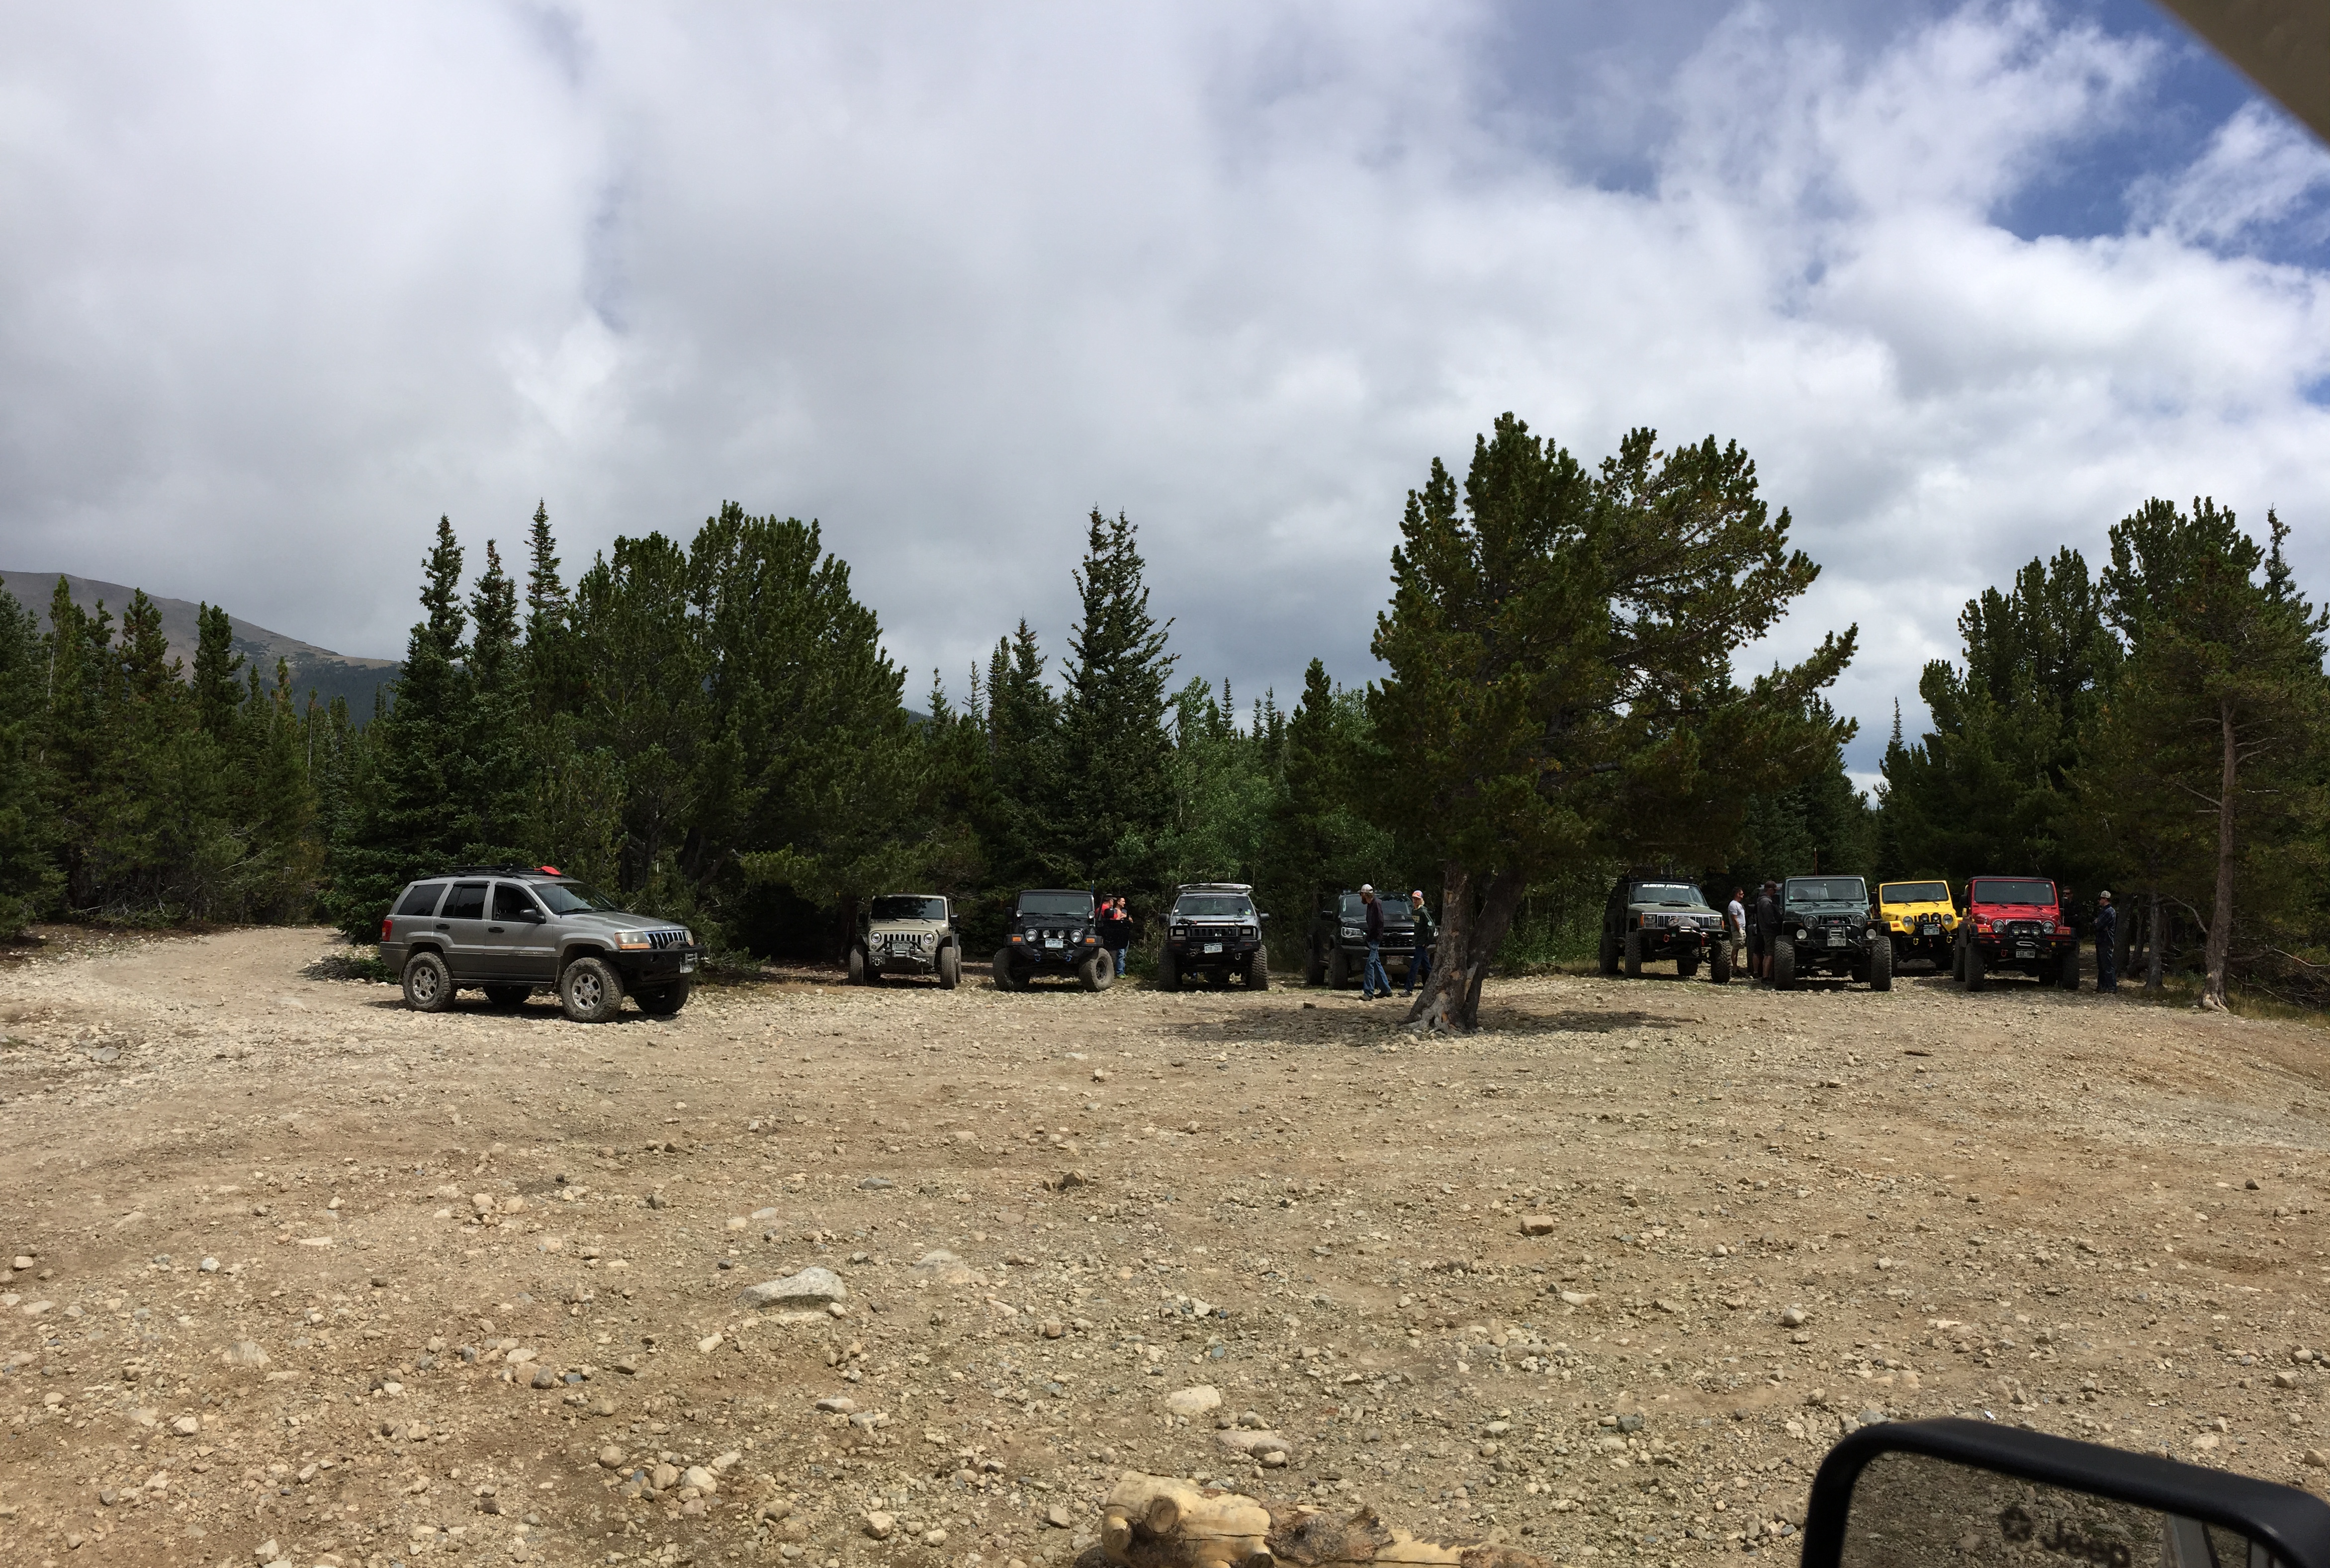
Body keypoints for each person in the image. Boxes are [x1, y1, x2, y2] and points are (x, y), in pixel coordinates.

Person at [1359, 883, 1390, 1000]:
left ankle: (1369, 992)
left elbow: (1380, 922)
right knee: (1376, 963)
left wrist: (1376, 937)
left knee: (1370, 965)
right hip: (1372, 938)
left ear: (1365, 895)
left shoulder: (1376, 904)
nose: (1360, 897)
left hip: (1375, 939)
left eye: (1361, 894)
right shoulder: (1370, 905)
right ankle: (1386, 989)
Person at [1402, 889, 1435, 996]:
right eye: (1414, 898)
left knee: (1415, 966)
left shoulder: (1423, 912)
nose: (1415, 901)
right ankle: (1435, 985)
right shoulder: (1414, 911)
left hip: (1422, 943)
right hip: (1417, 942)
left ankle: (1409, 989)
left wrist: (1428, 941)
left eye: (1417, 899)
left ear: (1421, 900)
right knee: (1427, 966)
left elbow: (1431, 926)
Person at [1753, 880, 1781, 981]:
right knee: (1770, 954)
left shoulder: (1761, 900)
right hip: (1769, 931)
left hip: (1765, 930)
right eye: (1774, 890)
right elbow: (1769, 920)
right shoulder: (1767, 902)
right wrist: (1777, 926)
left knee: (1768, 953)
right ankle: (1766, 976)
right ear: (1769, 890)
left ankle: (1766, 975)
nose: (1775, 893)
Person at [1101, 896, 1132, 978]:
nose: (1124, 903)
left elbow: (1131, 920)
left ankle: (1123, 971)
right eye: (1123, 901)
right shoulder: (1112, 911)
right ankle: (1119, 972)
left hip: (1125, 934)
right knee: (1120, 954)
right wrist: (1119, 916)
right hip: (1118, 935)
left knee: (1124, 955)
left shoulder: (1125, 911)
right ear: (1118, 902)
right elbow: (1113, 922)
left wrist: (1125, 917)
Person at [2094, 889, 2118, 993]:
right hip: (2101, 940)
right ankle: (2102, 987)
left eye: (2100, 899)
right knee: (2101, 965)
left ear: (2105, 899)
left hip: (2106, 941)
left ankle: (2112, 987)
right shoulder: (2105, 911)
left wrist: (2097, 923)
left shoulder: (2109, 911)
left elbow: (2098, 925)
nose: (2099, 901)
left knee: (2107, 965)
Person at [1726, 887, 1747, 972]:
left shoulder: (1739, 905)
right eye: (1742, 894)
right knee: (1736, 948)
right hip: (1737, 930)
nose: (1743, 895)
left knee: (1738, 948)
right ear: (1737, 894)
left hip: (1741, 928)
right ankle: (1735, 968)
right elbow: (1734, 918)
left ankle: (1736, 967)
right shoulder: (1733, 905)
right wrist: (1739, 930)